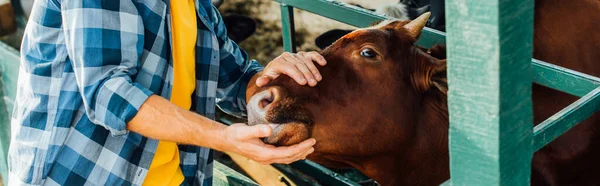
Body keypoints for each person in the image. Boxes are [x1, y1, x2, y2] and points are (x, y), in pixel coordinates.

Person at [8, 0, 326, 185]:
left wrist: (273, 78)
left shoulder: (196, 5)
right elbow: (109, 93)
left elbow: (235, 76)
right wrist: (225, 137)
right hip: (84, 176)